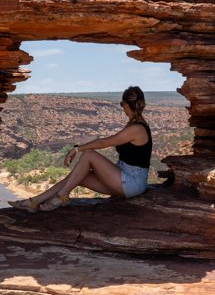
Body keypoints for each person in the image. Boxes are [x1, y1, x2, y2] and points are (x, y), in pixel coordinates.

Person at [9, 86, 153, 212]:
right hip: (123, 179)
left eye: (122, 104)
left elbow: (104, 142)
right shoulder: (137, 125)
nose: (123, 109)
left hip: (132, 182)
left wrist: (77, 149)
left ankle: (62, 196)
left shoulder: (137, 129)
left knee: (89, 154)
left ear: (127, 105)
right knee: (76, 176)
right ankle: (34, 202)